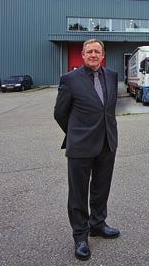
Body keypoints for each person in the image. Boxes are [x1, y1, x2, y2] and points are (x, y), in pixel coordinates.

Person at [54, 39, 120, 261]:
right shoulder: (70, 80)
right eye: (89, 51)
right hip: (81, 145)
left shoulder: (111, 75)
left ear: (103, 55)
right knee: (78, 193)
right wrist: (76, 133)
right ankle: (80, 236)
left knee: (101, 188)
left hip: (107, 143)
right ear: (82, 55)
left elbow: (108, 109)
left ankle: (98, 224)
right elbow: (60, 113)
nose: (93, 54)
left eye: (97, 51)